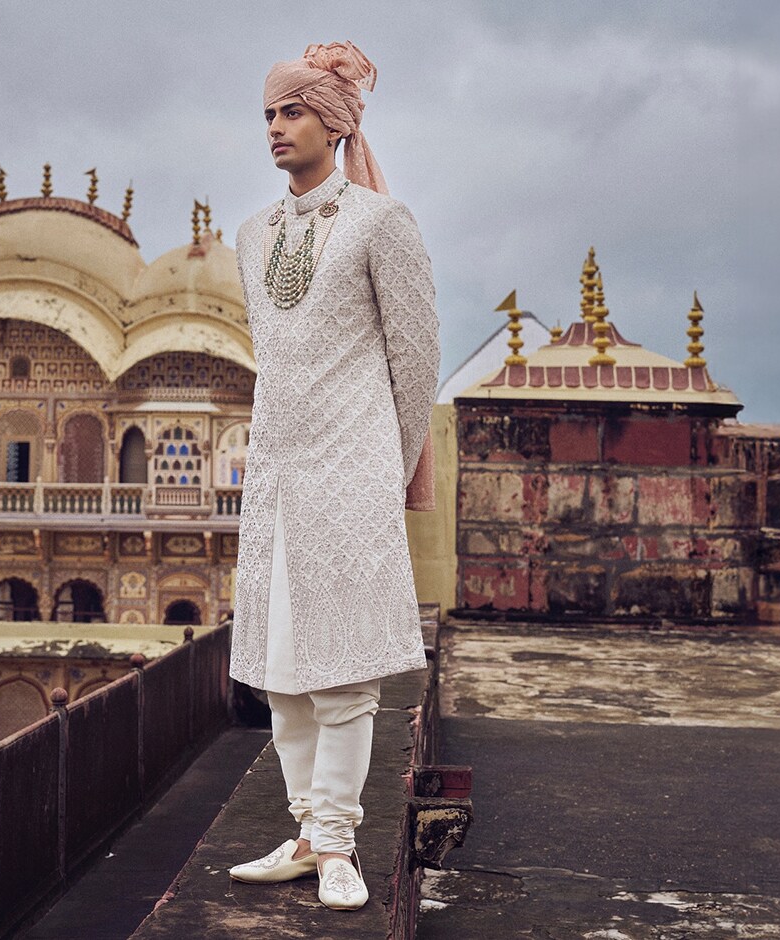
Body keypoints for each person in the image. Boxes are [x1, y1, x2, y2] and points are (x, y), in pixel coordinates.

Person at [225, 40, 440, 912]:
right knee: (281, 667)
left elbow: (415, 359)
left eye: (293, 112)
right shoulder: (252, 236)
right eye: (270, 114)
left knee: (345, 672)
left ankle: (343, 843)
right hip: (276, 474)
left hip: (352, 472)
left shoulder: (380, 224)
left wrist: (381, 470)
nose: (277, 129)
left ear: (336, 121)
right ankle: (306, 832)